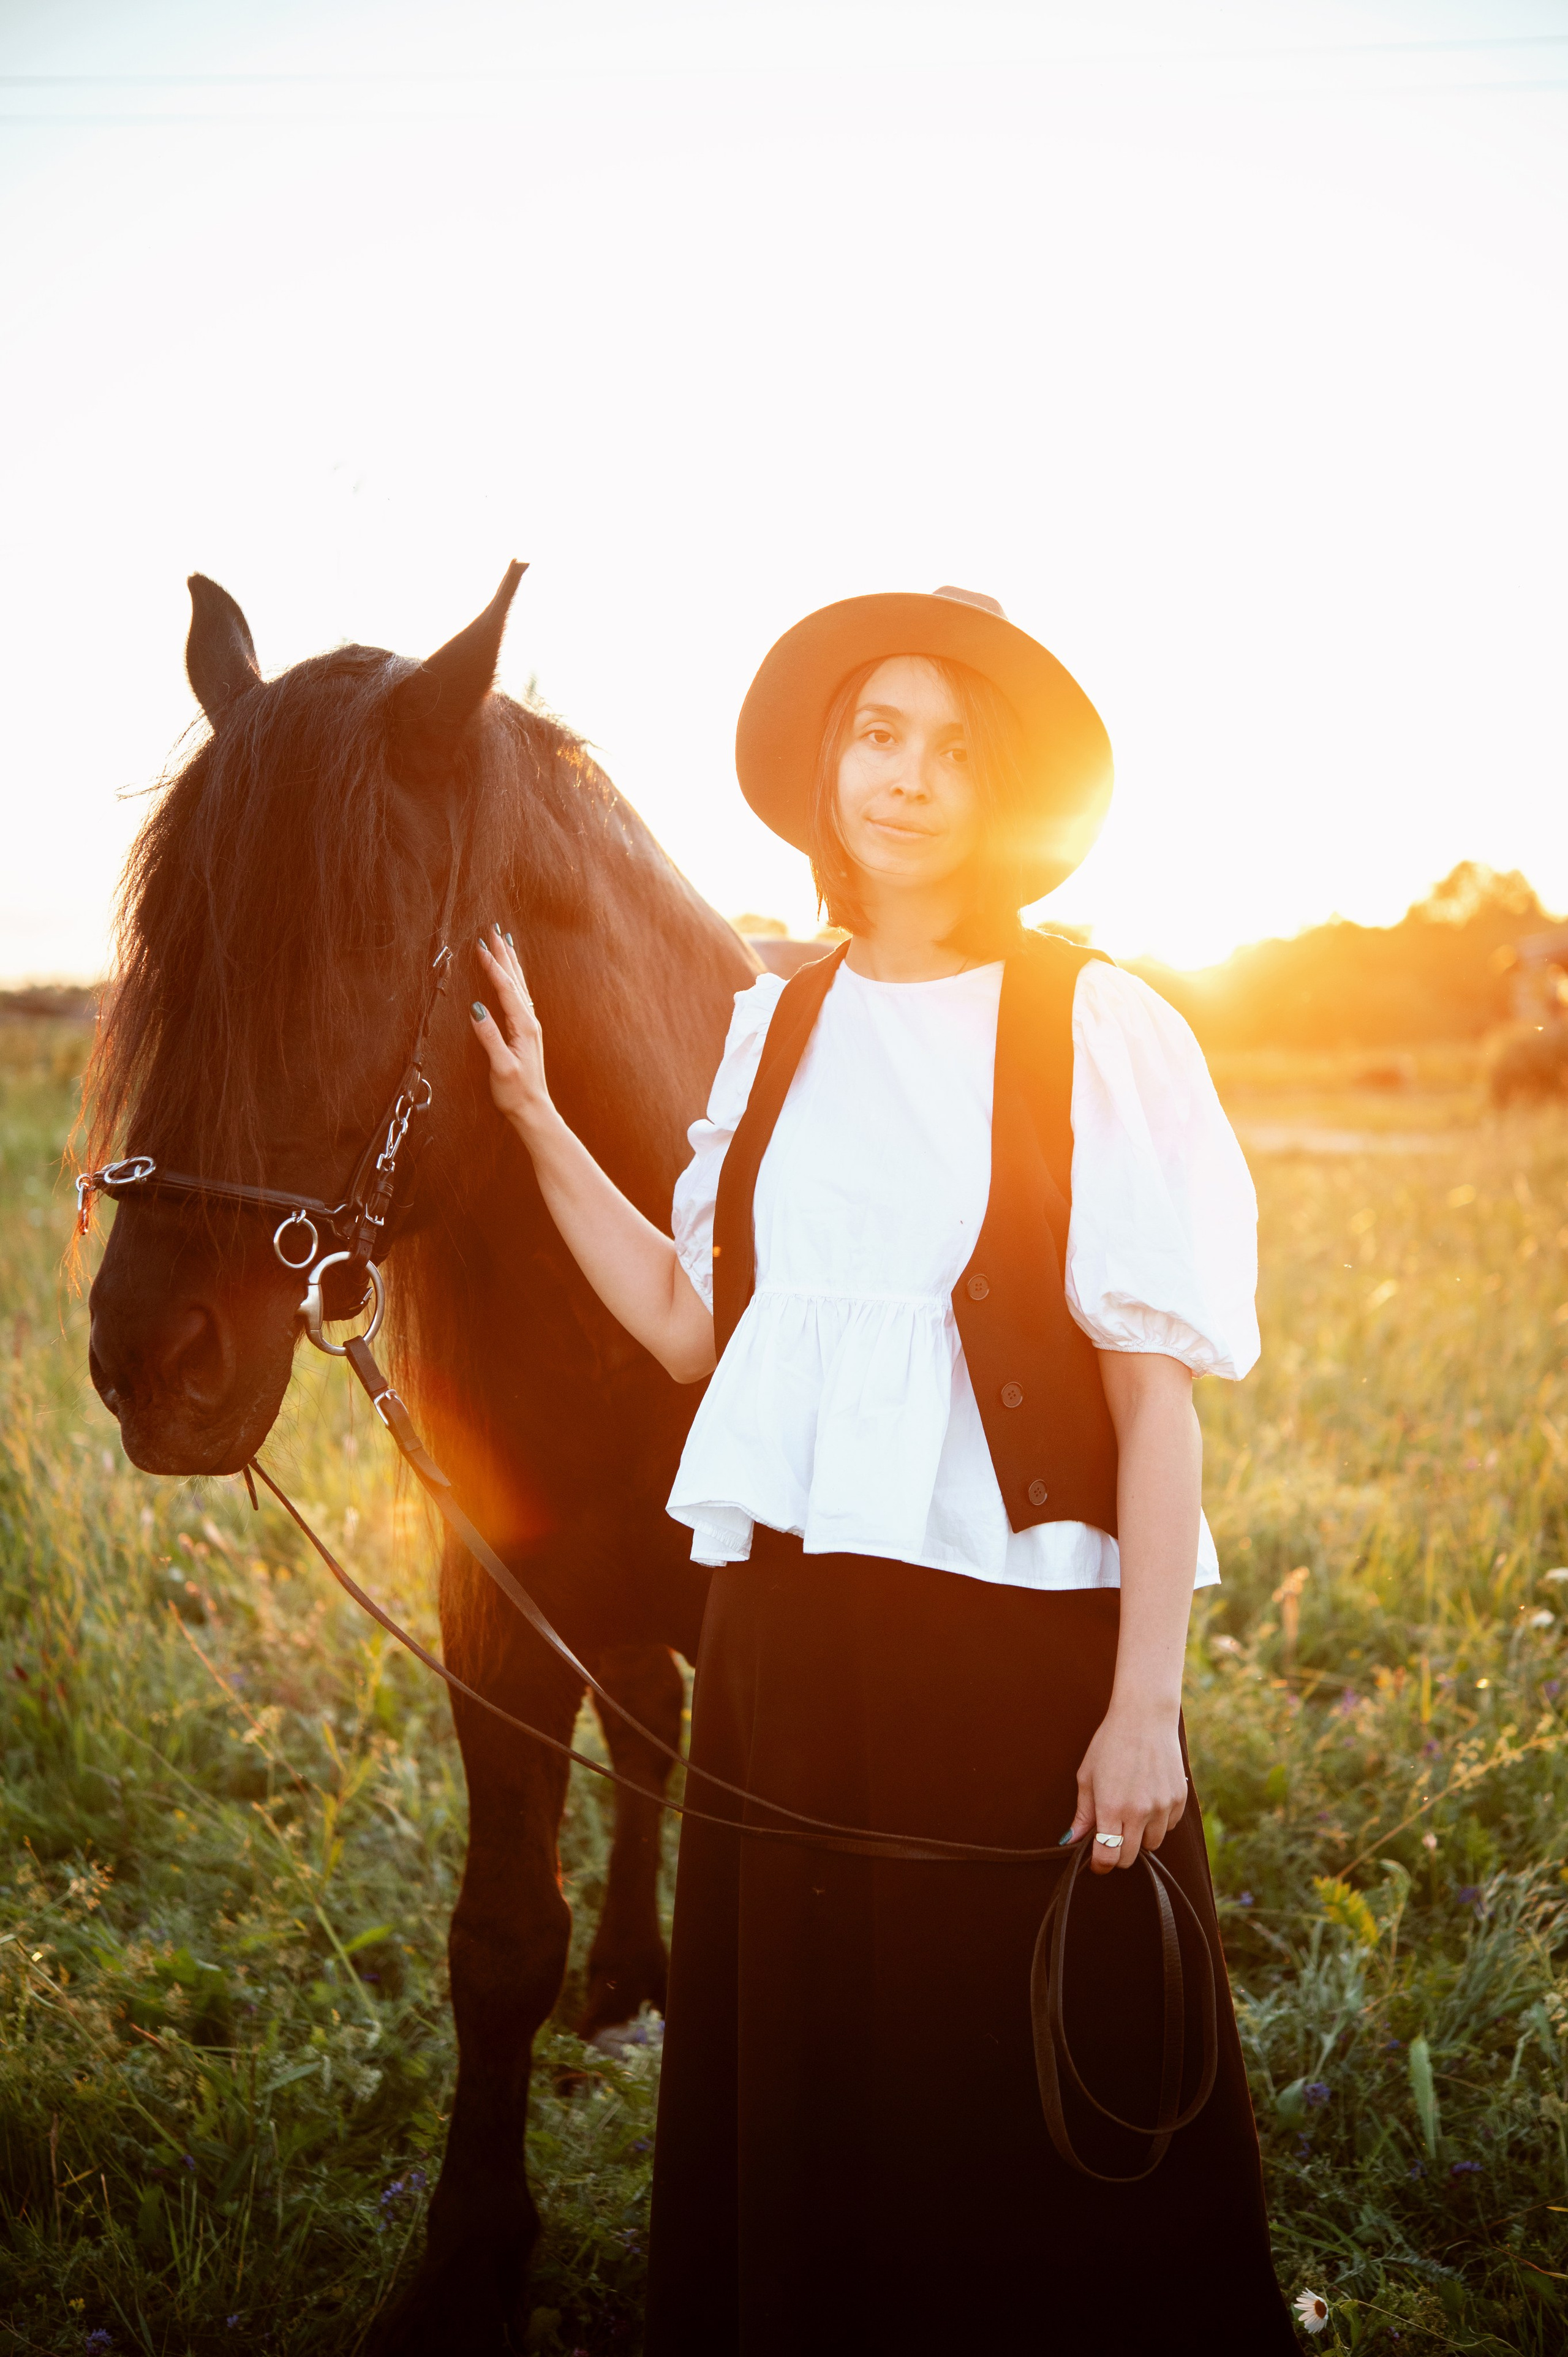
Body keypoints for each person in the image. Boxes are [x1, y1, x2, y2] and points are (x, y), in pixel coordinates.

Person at [469, 586, 1296, 2354]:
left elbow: (1157, 1411)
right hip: (785, 1643)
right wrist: (539, 1126)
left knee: (1007, 2081)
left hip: (1014, 1655)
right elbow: (697, 1331)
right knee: (817, 2071)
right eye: (877, 734)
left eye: (954, 751)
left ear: (1009, 800)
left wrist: (1145, 1708)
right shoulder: (775, 1026)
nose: (908, 780)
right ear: (827, 768)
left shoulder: (1097, 1023)